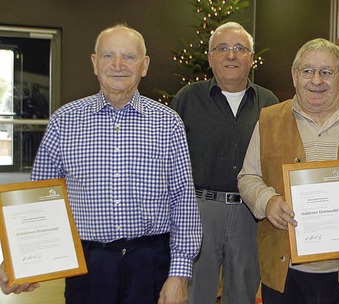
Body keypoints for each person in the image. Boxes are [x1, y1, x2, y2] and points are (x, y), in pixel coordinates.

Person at [1, 24, 202, 304]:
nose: (118, 65)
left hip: (151, 265)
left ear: (144, 65)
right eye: (108, 55)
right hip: (89, 267)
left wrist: (179, 274)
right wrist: (21, 260)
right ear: (95, 63)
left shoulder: (168, 123)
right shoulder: (65, 122)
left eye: (129, 57)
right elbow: (41, 196)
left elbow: (183, 200)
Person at [237, 38, 339, 303]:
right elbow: (248, 176)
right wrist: (268, 201)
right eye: (307, 71)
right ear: (294, 75)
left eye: (327, 72)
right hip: (285, 271)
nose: (316, 80)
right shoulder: (268, 120)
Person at [170, 21, 278, 304]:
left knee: (242, 294)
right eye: (223, 48)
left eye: (240, 48)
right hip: (199, 213)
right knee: (195, 295)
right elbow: (168, 160)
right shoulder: (187, 99)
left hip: (250, 215)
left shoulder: (269, 102)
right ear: (210, 57)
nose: (231, 55)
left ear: (251, 58)